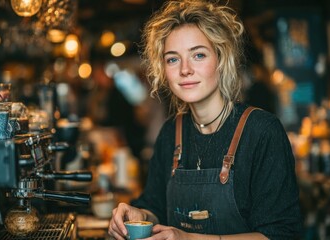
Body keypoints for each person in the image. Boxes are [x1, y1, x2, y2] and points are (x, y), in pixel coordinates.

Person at [108, 0, 302, 239]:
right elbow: (156, 206)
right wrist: (139, 214)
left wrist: (190, 238)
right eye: (172, 59)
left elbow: (281, 234)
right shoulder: (171, 131)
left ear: (221, 59)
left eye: (198, 55)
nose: (185, 69)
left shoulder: (262, 132)